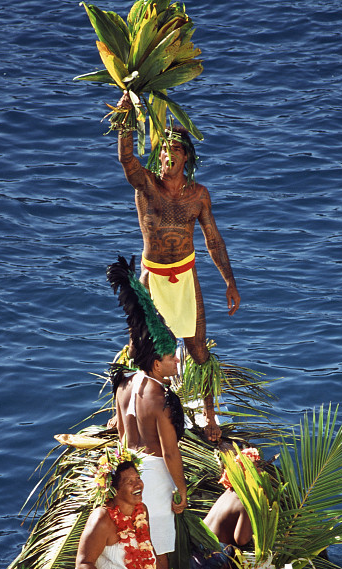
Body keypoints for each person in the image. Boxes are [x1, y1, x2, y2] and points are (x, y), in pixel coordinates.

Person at [116, 91, 241, 443]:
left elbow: (213, 240)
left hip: (185, 276)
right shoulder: (146, 186)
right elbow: (127, 160)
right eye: (163, 149)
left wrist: (229, 282)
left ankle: (209, 415)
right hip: (153, 275)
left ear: (186, 156)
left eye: (175, 150)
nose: (167, 155)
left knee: (198, 348)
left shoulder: (199, 195)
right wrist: (126, 116)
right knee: (138, 345)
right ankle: (120, 411)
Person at [107, 255, 187, 569]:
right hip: (152, 479)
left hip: (126, 475)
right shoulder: (160, 398)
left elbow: (120, 435)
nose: (177, 363)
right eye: (171, 358)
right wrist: (181, 492)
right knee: (157, 550)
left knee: (131, 543)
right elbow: (170, 453)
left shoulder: (123, 384)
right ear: (156, 363)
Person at [202, 447, 262, 548]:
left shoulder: (229, 492)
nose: (260, 471)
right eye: (256, 468)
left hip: (198, 541)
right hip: (211, 552)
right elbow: (241, 540)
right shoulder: (245, 500)